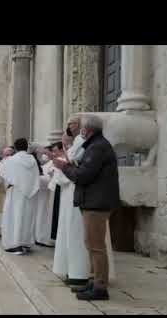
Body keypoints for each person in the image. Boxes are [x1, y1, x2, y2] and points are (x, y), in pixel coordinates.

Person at [53, 114, 120, 301]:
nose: (80, 131)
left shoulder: (97, 147)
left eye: (81, 127)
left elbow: (83, 176)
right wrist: (70, 163)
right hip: (92, 201)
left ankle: (100, 287)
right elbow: (86, 170)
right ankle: (93, 281)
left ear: (87, 130)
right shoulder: (94, 145)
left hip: (96, 203)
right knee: (91, 244)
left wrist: (63, 167)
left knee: (96, 246)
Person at [0, 139, 39, 255]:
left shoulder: (10, 161)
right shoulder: (33, 161)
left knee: (13, 218)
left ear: (15, 149)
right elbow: (36, 178)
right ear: (27, 147)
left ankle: (14, 244)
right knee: (27, 218)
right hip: (29, 194)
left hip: (14, 193)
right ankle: (26, 243)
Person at [0, 148, 15, 235]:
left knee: (2, 210)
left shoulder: (2, 165)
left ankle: (1, 230)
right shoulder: (16, 164)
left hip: (4, 191)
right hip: (11, 192)